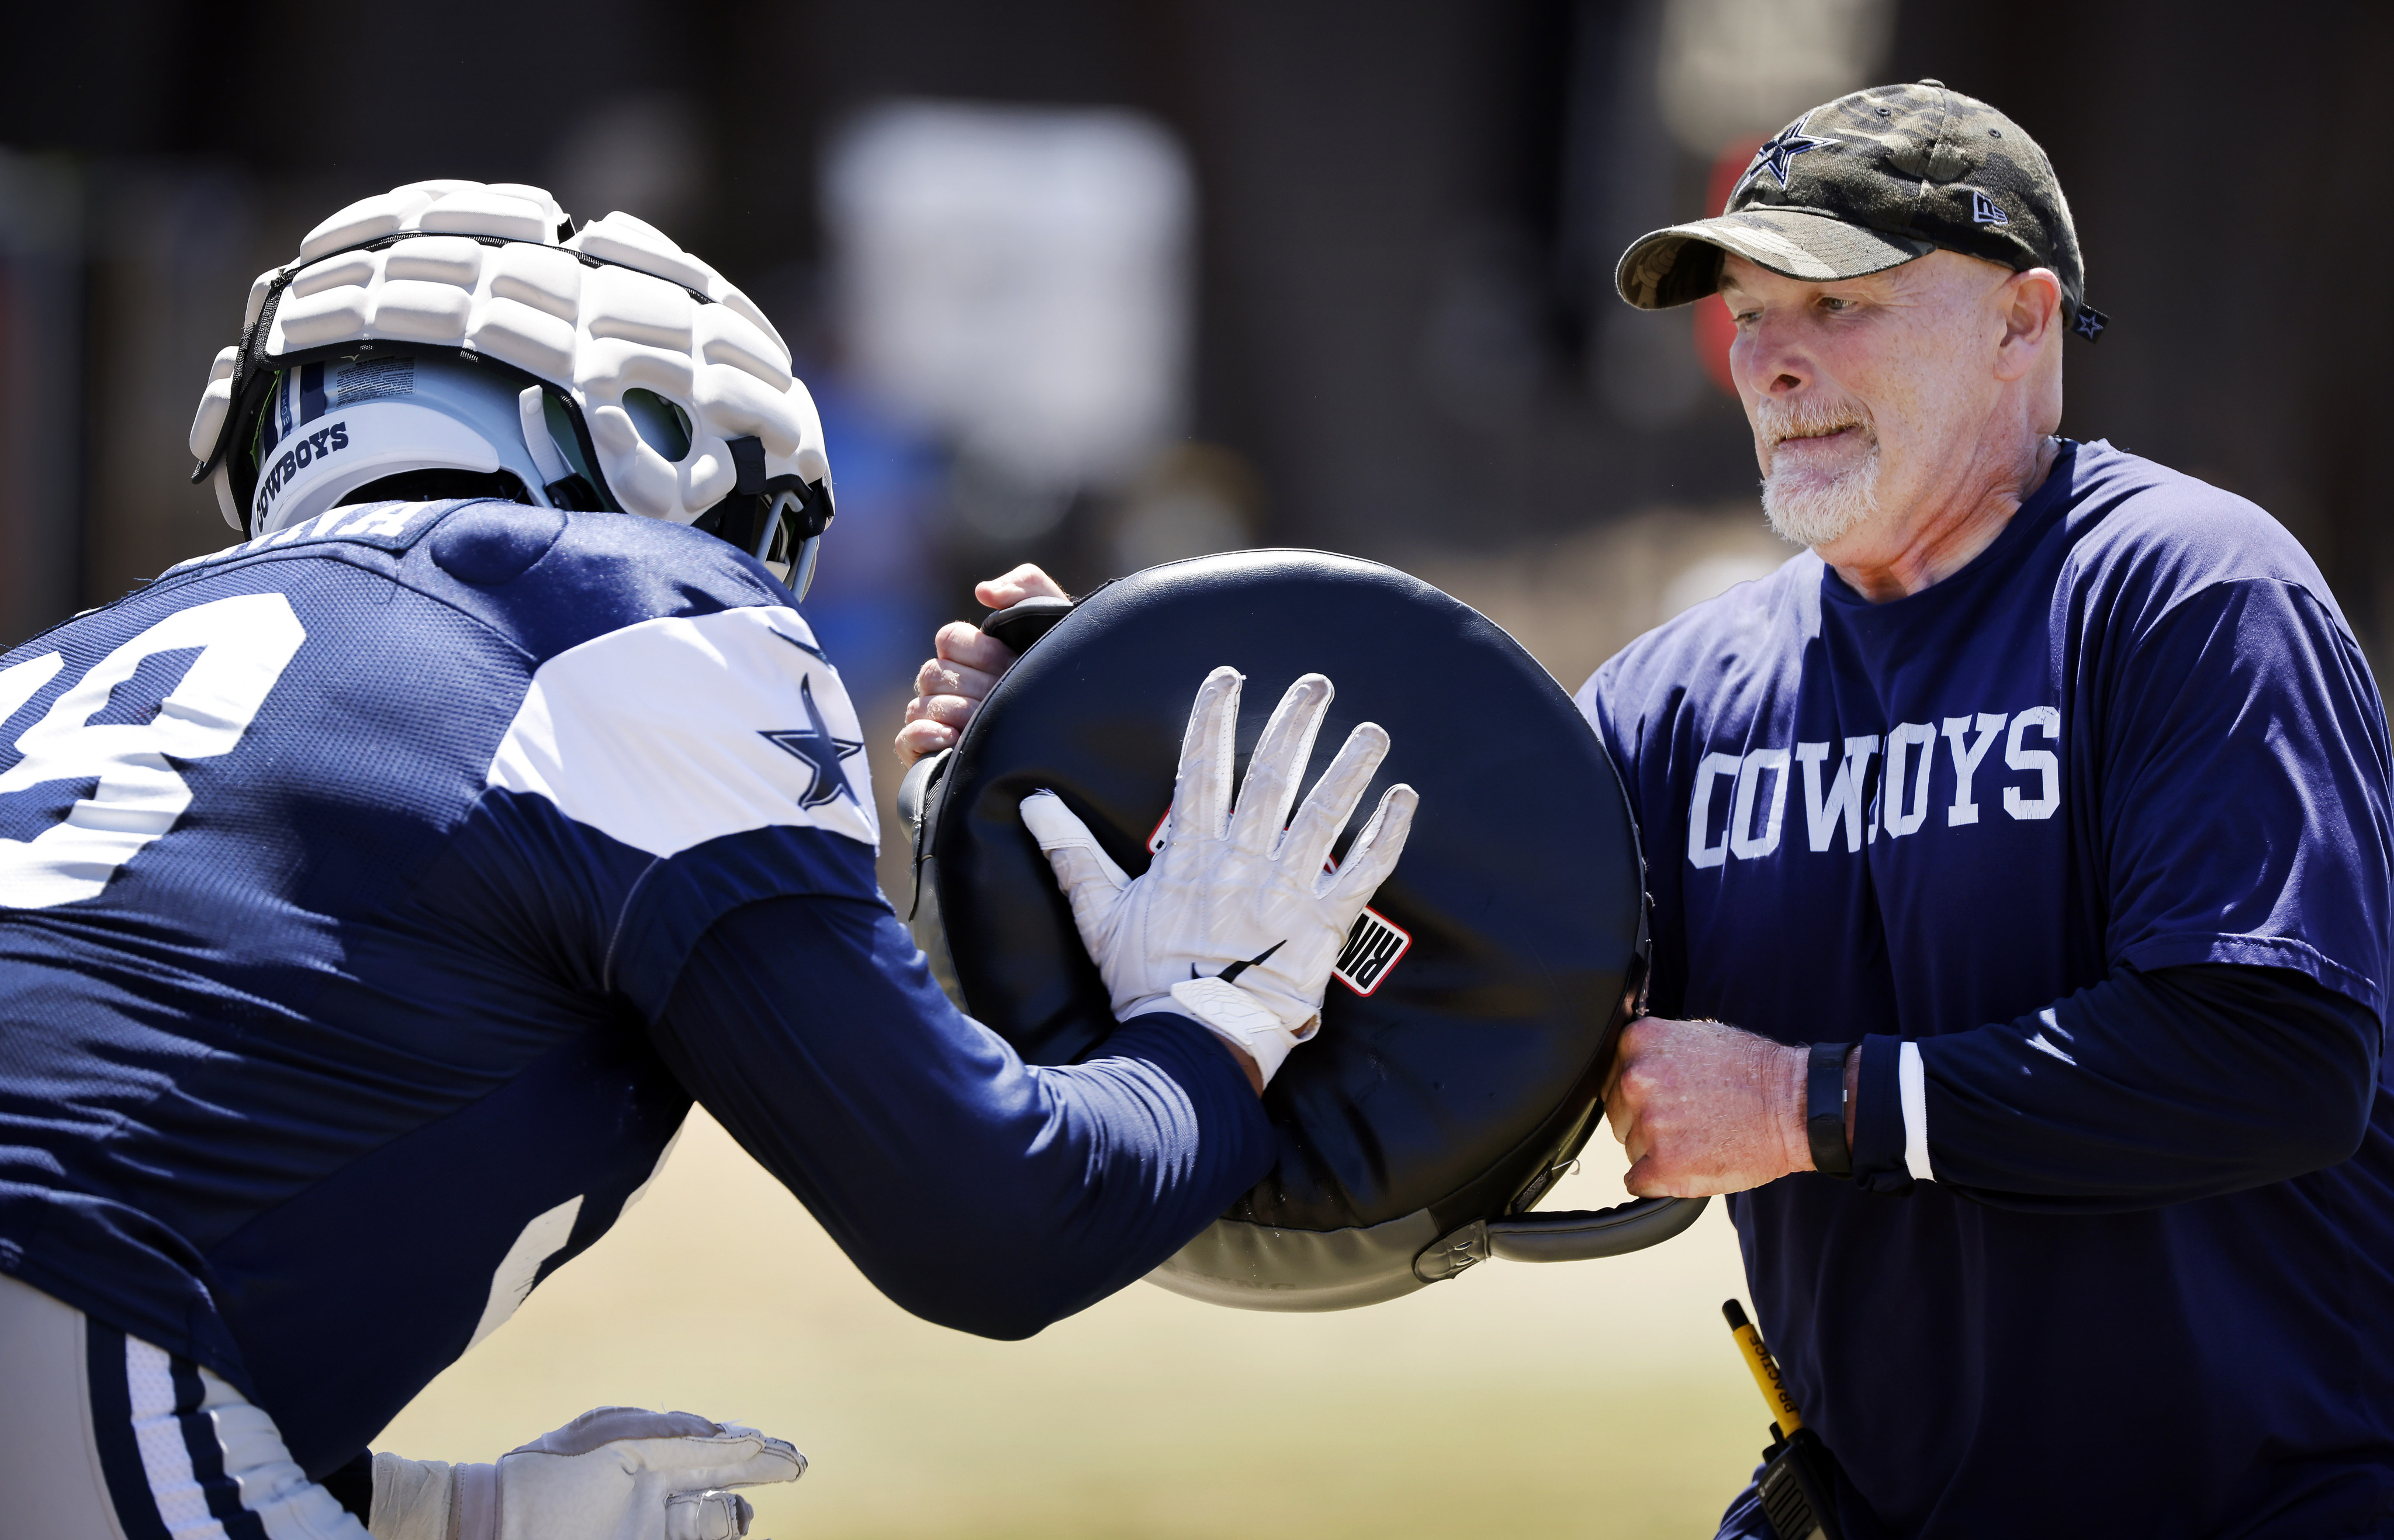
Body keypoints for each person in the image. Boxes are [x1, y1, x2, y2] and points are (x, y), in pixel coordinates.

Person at [900, 83, 2394, 1538]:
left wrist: (1805, 1106)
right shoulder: (1678, 700)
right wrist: (1078, 731)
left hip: (2271, 1497)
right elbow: (1415, 970)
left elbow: (2273, 1059)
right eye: (1747, 317)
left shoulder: (2182, 595)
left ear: (2019, 319)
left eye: (1839, 305)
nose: (1771, 364)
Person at [0, 179, 1413, 1540]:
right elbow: (989, 1218)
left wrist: (436, 1509)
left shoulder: (54, 667)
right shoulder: (611, 607)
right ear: (661, 446)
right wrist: (1214, 1020)